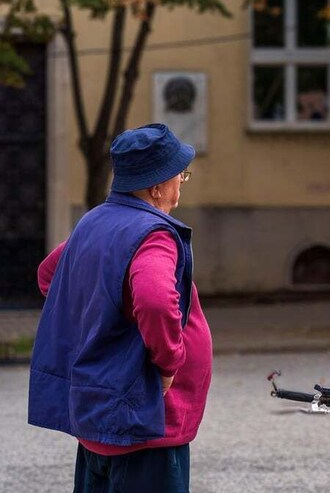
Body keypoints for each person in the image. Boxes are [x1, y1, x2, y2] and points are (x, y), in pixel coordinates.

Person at [28, 123, 213, 493]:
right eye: (180, 175)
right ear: (156, 186)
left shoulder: (94, 221)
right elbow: (156, 301)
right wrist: (167, 362)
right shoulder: (153, 235)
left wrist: (101, 321)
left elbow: (49, 275)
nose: (181, 185)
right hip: (145, 424)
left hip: (103, 416)